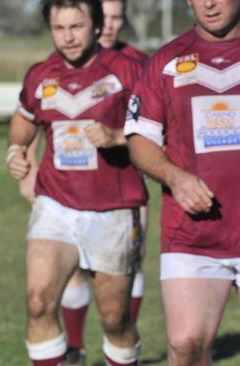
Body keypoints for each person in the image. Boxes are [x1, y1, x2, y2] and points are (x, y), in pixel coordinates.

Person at [6, 0, 146, 365]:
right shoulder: (40, 75)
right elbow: (22, 125)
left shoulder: (129, 70)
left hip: (114, 210)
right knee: (38, 303)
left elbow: (160, 133)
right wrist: (15, 152)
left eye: (76, 27)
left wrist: (118, 137)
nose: (67, 37)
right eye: (59, 28)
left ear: (97, 26)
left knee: (115, 320)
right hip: (55, 205)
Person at [124, 0, 240, 364]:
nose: (208, 3)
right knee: (186, 346)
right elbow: (140, 141)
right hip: (193, 233)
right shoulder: (167, 61)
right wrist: (176, 177)